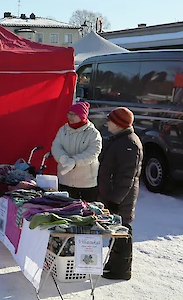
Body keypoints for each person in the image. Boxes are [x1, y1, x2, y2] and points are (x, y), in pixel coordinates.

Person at [98, 107, 143, 281]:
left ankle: (121, 270)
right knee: (116, 231)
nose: (107, 122)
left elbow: (127, 177)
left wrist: (115, 200)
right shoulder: (119, 139)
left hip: (121, 197)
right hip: (113, 195)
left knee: (123, 231)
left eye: (110, 120)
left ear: (119, 124)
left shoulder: (130, 144)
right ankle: (114, 265)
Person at [51, 102, 102, 201]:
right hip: (64, 180)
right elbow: (56, 146)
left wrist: (74, 161)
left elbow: (93, 152)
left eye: (74, 114)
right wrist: (62, 158)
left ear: (82, 116)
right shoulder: (63, 130)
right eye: (69, 114)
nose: (70, 117)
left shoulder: (93, 133)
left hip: (86, 183)